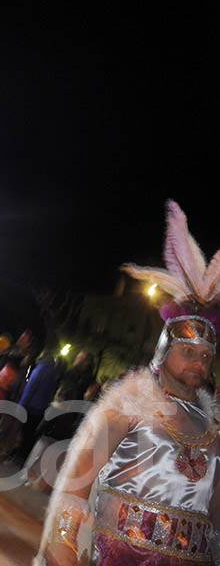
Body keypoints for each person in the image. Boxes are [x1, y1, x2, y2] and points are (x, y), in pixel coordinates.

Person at [36, 200, 220, 565]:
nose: (198, 362)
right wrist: (63, 554)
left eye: (206, 356)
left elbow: (214, 516)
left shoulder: (213, 431)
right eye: (188, 352)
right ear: (163, 353)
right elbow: (73, 493)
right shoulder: (127, 408)